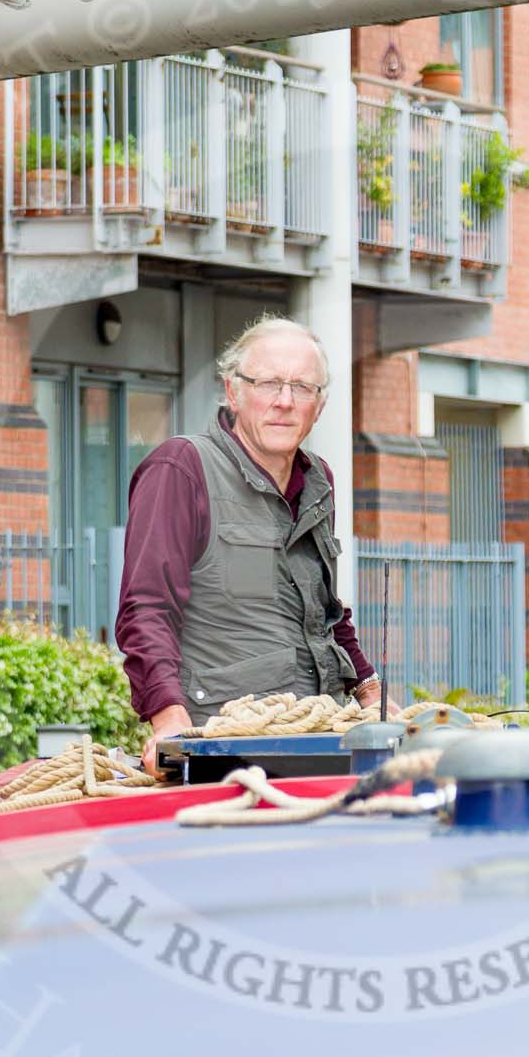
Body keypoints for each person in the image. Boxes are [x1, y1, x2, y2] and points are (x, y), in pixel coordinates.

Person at [116, 316, 381, 772]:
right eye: (269, 383)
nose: (284, 401)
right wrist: (168, 721)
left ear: (319, 406)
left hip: (320, 742)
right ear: (233, 391)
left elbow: (327, 616)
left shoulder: (319, 482)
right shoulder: (180, 468)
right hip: (223, 748)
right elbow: (146, 609)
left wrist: (373, 695)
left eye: (301, 387)